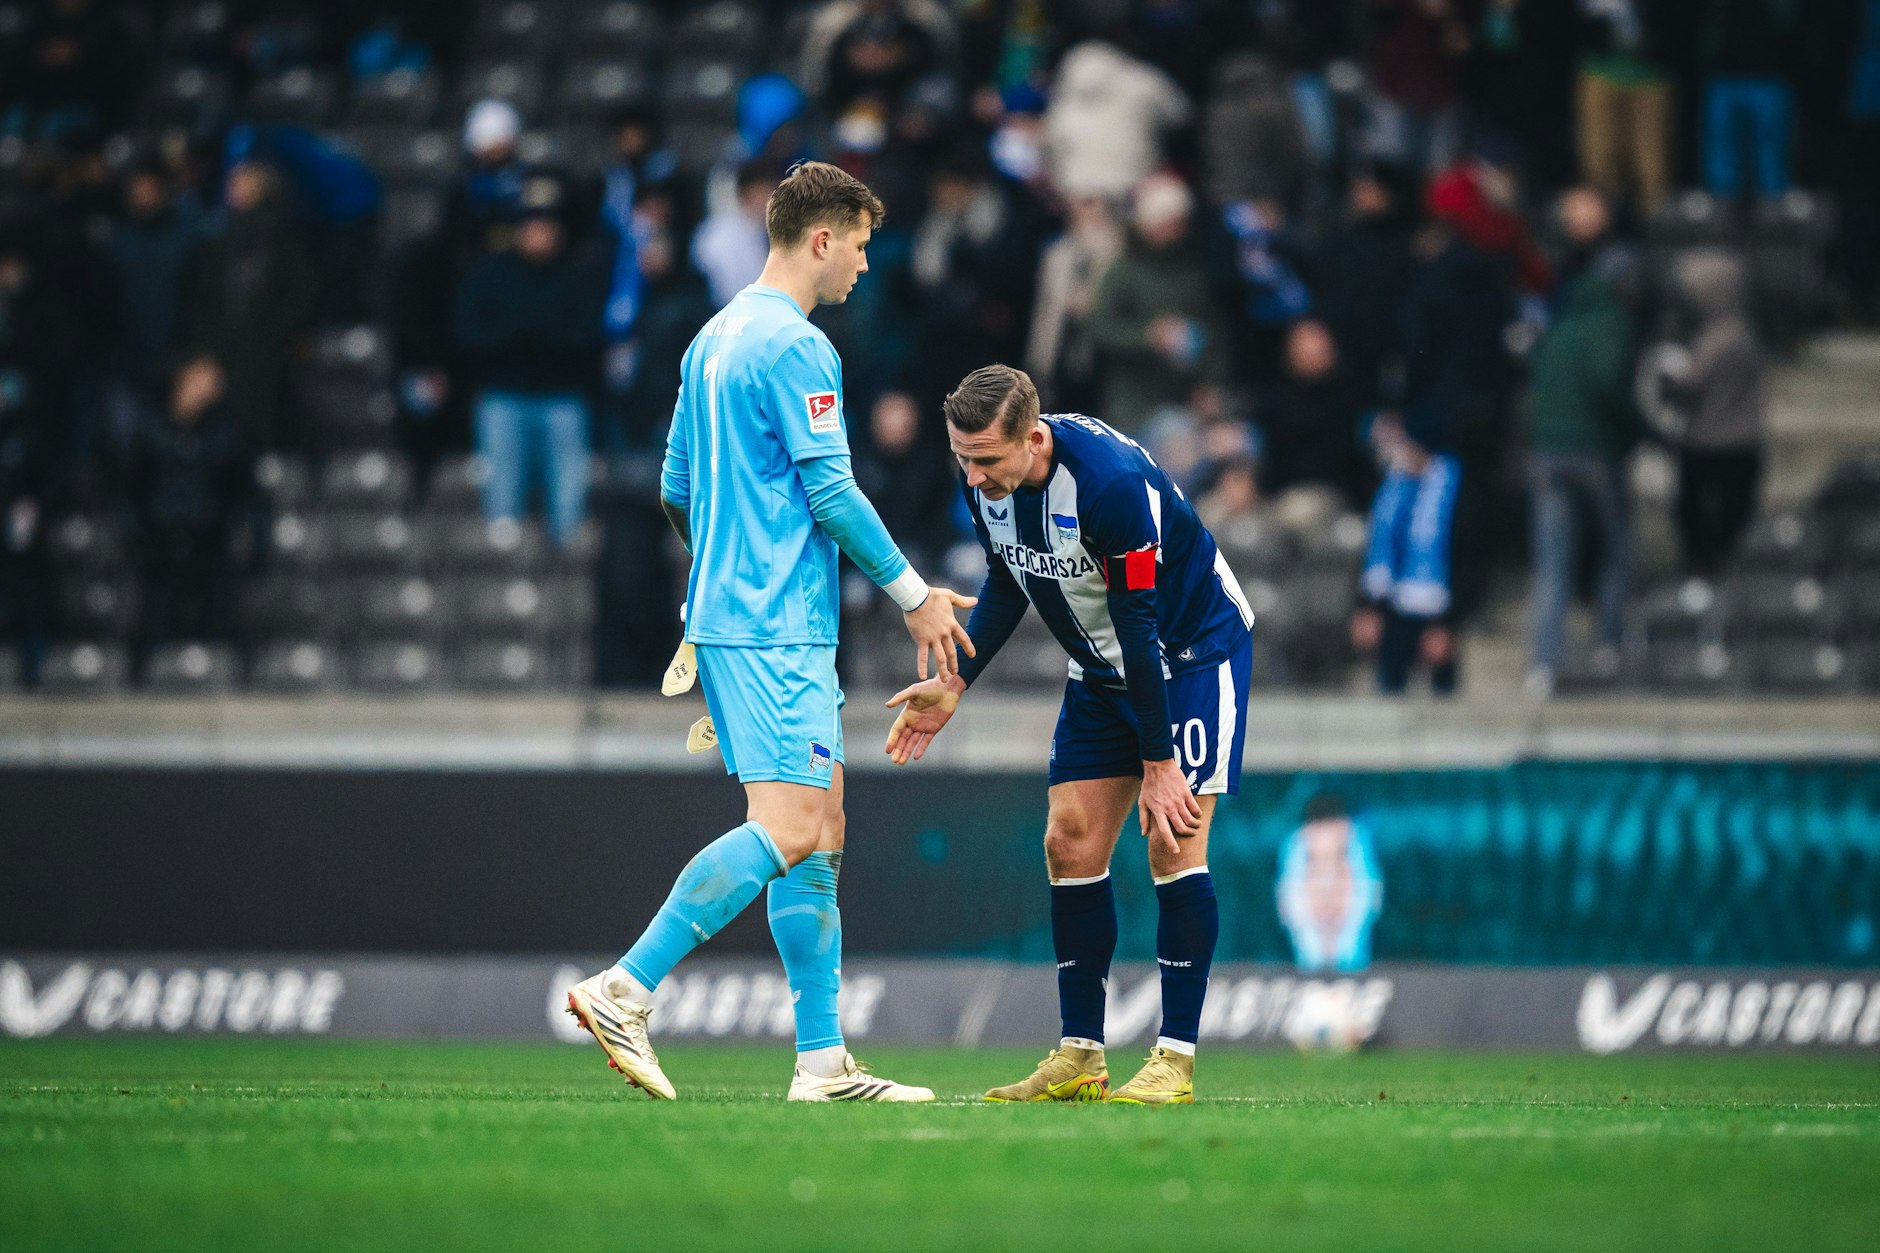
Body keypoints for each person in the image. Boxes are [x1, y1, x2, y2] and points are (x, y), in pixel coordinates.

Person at [562, 162, 976, 1103]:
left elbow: (676, 486)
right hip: (777, 624)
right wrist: (913, 591)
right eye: (861, 246)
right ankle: (627, 985)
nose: (866, 267)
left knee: (822, 827)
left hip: (734, 618)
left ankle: (823, 1062)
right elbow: (831, 488)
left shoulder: (710, 339)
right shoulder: (796, 348)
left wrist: (720, 568)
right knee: (788, 824)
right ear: (820, 239)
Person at [884, 364, 1256, 1106]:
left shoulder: (1109, 487)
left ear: (1034, 435)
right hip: (1100, 664)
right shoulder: (984, 474)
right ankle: (1080, 1054)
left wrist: (1158, 762)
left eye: (987, 459)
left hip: (1186, 655)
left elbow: (1141, 625)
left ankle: (1174, 1058)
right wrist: (954, 681)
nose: (974, 475)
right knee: (1070, 839)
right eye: (963, 458)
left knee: (1172, 839)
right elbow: (1004, 579)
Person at [1522, 186, 1643, 695]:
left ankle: (1543, 665)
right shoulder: (1611, 320)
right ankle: (1608, 649)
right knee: (1615, 550)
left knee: (1553, 561)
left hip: (1546, 452)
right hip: (1594, 449)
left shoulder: (1558, 322)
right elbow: (1610, 384)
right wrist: (1635, 433)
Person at [451, 177, 609, 548]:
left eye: (546, 226)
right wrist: (520, 338)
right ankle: (504, 567)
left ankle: (566, 558)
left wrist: (538, 337)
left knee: (569, 510)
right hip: (504, 395)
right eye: (531, 225)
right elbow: (468, 333)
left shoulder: (577, 274)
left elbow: (590, 336)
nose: (538, 233)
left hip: (562, 396)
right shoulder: (491, 274)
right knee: (502, 508)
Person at [1351, 409, 1463, 695]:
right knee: (1389, 686)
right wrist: (1367, 606)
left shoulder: (1453, 492)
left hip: (1437, 611)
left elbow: (1464, 562)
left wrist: (1447, 624)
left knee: (1442, 692)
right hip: (1393, 610)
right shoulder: (1390, 487)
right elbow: (1375, 550)